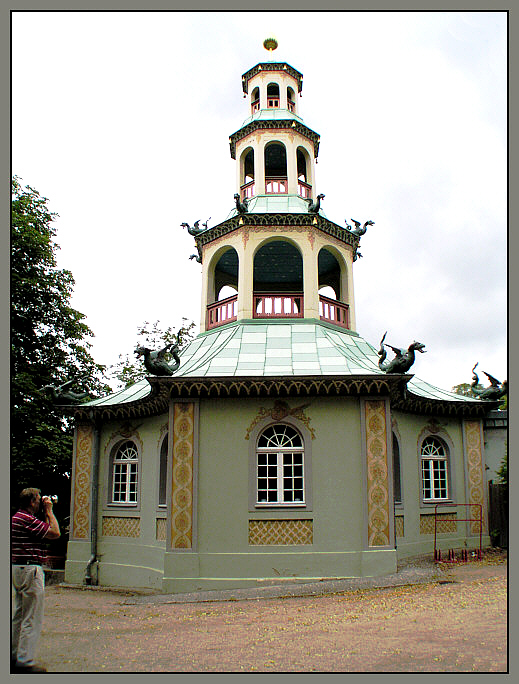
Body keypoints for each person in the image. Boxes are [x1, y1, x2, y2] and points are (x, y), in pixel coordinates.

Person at [11, 488, 60, 673]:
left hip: (17, 568)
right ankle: (25, 661)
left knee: (19, 614)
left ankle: (13, 655)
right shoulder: (27, 519)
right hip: (30, 569)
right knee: (31, 616)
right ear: (32, 502)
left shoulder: (16, 518)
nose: (40, 502)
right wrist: (49, 511)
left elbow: (44, 532)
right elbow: (55, 533)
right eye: (38, 499)